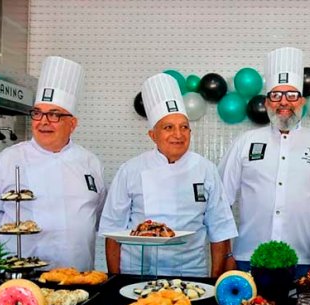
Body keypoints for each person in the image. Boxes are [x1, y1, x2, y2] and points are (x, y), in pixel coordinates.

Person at [219, 47, 310, 279]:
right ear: (267, 102)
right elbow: (220, 202)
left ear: (302, 101)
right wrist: (226, 255)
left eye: (291, 95)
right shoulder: (245, 143)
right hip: (248, 258)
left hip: (303, 262)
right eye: (276, 95)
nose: (283, 102)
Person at [99, 72, 237, 277]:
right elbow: (112, 231)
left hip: (190, 272)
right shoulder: (130, 170)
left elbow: (220, 230)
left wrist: (213, 281)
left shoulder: (206, 169)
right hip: (136, 272)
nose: (178, 135)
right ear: (153, 135)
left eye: (184, 127)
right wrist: (114, 280)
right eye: (168, 127)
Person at [0, 56, 106, 271]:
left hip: (79, 278)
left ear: (72, 124)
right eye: (38, 113)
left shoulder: (90, 162)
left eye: (54, 115)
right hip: (23, 279)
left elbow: (98, 216)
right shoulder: (8, 160)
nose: (43, 121)